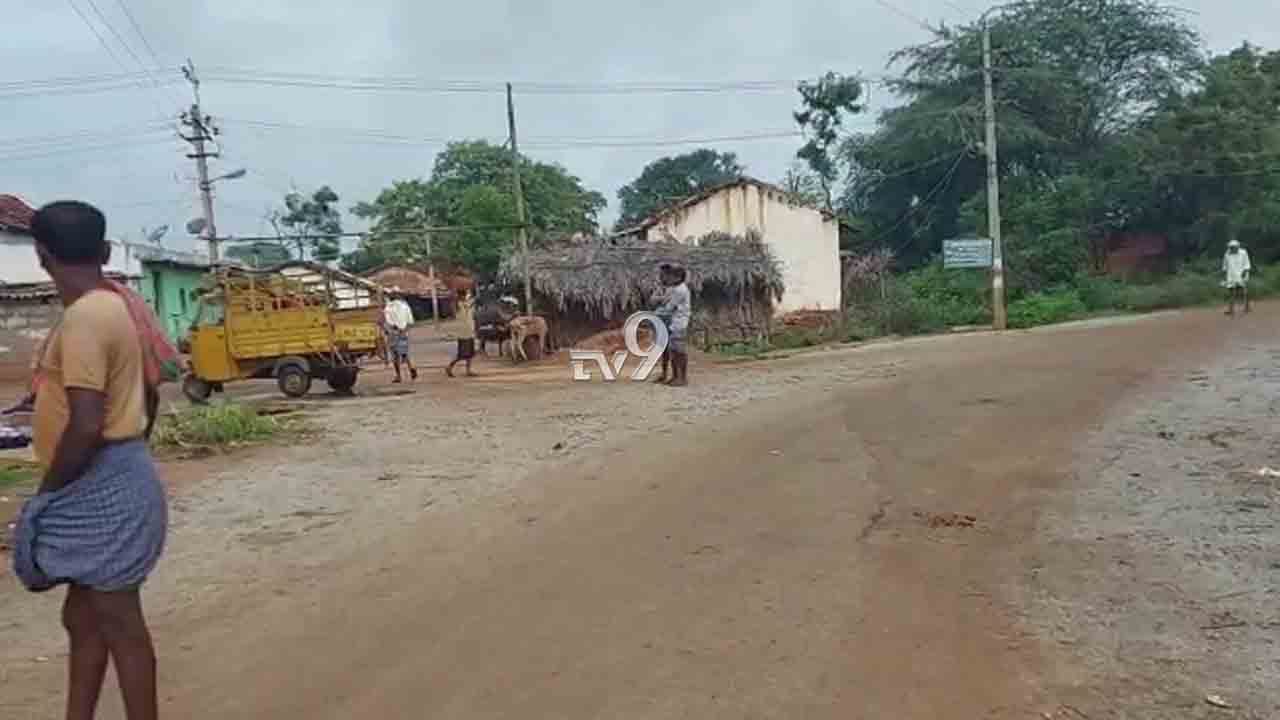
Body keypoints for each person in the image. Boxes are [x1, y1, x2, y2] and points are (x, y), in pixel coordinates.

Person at [11, 201, 168, 720]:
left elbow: (84, 423)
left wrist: (50, 494)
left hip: (97, 485)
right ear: (103, 251)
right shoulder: (117, 306)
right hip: (119, 474)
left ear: (41, 256)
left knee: (120, 622)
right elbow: (152, 389)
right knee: (84, 617)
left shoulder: (82, 320)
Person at [654, 263, 692, 387]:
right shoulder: (676, 289)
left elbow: (669, 307)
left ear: (677, 277)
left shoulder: (680, 290)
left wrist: (653, 314)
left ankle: (682, 377)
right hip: (674, 323)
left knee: (679, 351)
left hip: (679, 323)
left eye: (670, 276)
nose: (668, 279)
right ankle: (676, 376)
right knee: (674, 351)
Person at [383, 292, 418, 383]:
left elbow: (389, 323)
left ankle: (398, 376)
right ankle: (411, 367)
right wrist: (404, 330)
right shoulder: (405, 307)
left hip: (393, 333)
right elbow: (410, 322)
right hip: (404, 332)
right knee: (404, 352)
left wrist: (392, 330)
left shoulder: (388, 308)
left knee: (395, 356)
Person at [446, 289, 478, 378]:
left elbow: (474, 300)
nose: (467, 296)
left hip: (470, 330)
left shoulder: (469, 304)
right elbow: (453, 304)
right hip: (463, 332)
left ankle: (468, 370)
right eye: (466, 295)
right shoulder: (457, 305)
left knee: (470, 353)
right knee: (461, 354)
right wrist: (455, 296)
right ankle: (449, 367)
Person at [1223, 239, 1252, 316]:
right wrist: (1225, 278)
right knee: (1231, 292)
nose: (1232, 248)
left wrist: (1246, 273)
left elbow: (1247, 263)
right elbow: (1225, 266)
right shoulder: (1227, 254)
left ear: (1237, 246)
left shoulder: (1243, 252)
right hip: (1231, 275)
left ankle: (1247, 306)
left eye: (1234, 247)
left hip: (1241, 274)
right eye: (1231, 247)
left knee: (1243, 291)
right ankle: (1231, 309)